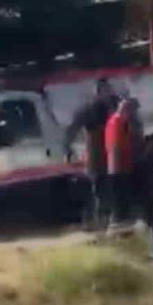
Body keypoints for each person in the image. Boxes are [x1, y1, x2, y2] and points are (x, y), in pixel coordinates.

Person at [64, 78, 120, 230]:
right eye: (103, 91)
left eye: (108, 90)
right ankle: (97, 223)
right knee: (98, 190)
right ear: (97, 92)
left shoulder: (116, 106)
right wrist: (67, 149)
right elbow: (72, 129)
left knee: (112, 189)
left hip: (114, 154)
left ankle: (109, 221)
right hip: (97, 155)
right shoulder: (88, 110)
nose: (107, 94)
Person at [104, 97, 142, 229]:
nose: (133, 114)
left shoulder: (120, 121)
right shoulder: (116, 122)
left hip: (121, 167)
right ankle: (116, 225)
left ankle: (120, 223)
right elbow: (116, 147)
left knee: (122, 201)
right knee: (119, 202)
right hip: (118, 169)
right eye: (131, 111)